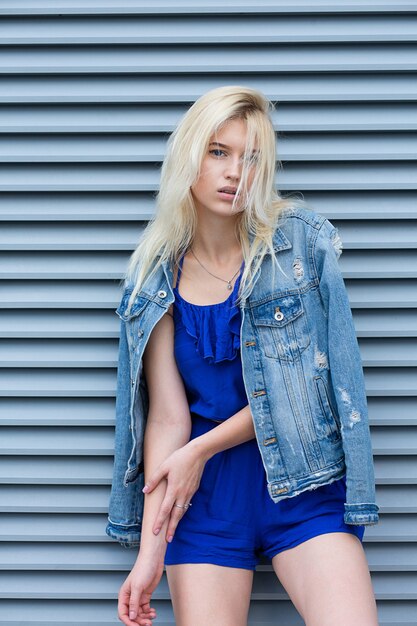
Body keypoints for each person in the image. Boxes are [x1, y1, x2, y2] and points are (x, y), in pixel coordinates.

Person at [107, 85, 380, 626]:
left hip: (304, 485)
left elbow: (303, 390)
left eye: (252, 157)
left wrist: (197, 451)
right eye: (218, 152)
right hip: (205, 502)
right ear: (190, 156)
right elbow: (165, 415)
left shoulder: (299, 248)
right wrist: (149, 554)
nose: (236, 172)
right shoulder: (154, 276)